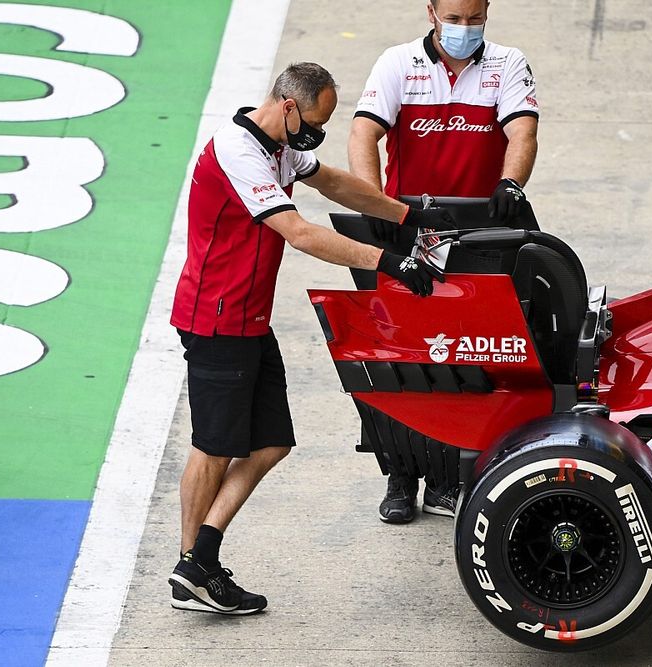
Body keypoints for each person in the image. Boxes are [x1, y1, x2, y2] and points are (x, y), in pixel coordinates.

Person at [167, 62, 453, 616]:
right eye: (315, 123)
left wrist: (406, 216)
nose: (316, 134)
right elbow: (298, 232)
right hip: (216, 320)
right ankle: (191, 567)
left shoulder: (281, 145)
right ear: (288, 106)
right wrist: (387, 261)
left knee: (271, 441)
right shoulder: (238, 150)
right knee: (214, 446)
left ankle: (198, 561)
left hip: (249, 319)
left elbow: (335, 183)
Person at [347, 0, 539, 524]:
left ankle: (452, 475)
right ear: (431, 11)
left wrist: (510, 183)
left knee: (471, 351)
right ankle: (400, 475)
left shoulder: (507, 63)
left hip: (478, 234)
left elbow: (522, 131)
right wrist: (373, 202)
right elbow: (364, 133)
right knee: (404, 353)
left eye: (474, 17)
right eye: (454, 17)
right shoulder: (397, 63)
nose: (464, 27)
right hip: (415, 232)